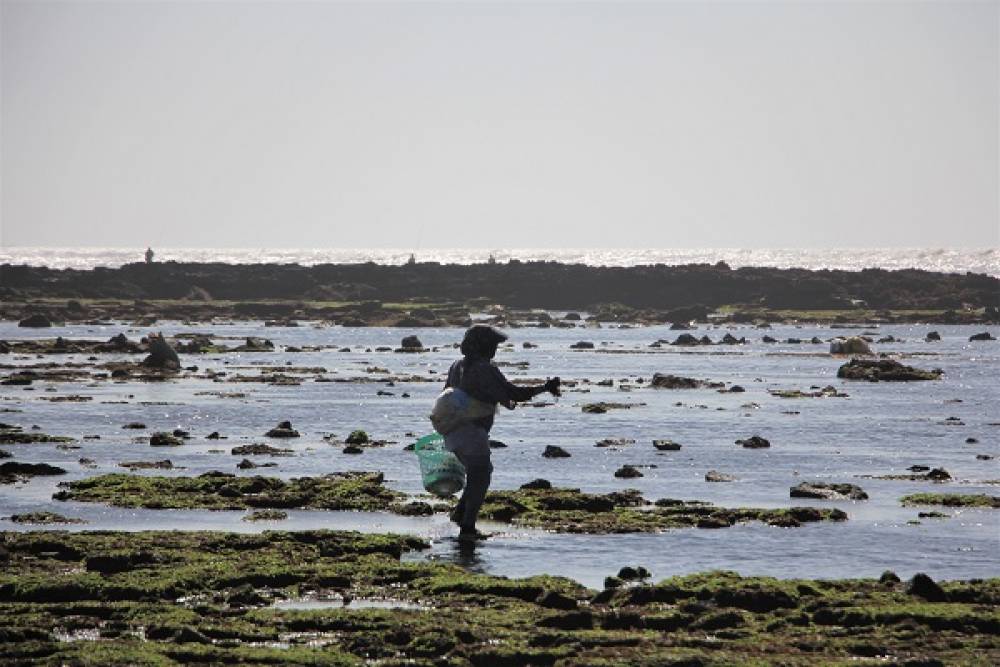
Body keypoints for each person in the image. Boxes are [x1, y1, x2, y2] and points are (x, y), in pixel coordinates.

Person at [444, 325, 560, 541]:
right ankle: (467, 529)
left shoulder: (456, 366)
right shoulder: (484, 369)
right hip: (473, 434)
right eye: (493, 345)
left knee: (477, 473)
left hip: (452, 433)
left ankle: (460, 513)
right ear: (485, 346)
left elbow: (445, 395)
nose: (495, 350)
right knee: (481, 477)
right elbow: (514, 393)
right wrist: (545, 388)